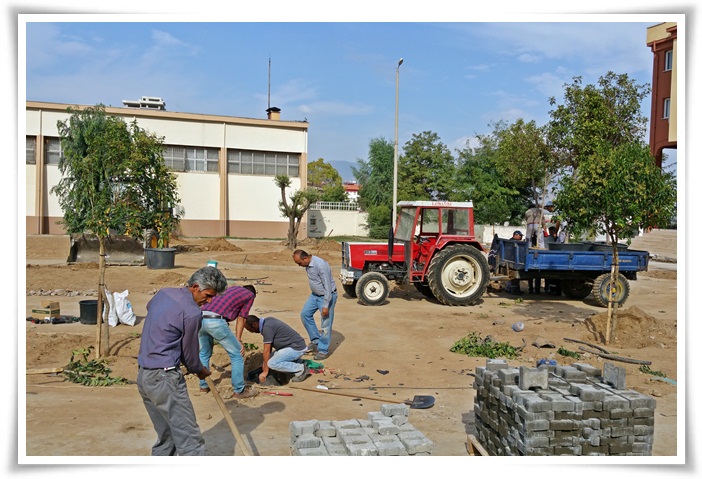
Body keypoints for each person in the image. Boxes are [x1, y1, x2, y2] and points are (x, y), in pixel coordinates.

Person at [136, 266, 228, 456]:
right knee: (190, 441)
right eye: (208, 295)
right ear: (195, 286)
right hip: (165, 378)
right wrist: (199, 370)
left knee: (167, 437)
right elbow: (189, 353)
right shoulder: (192, 313)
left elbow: (151, 309)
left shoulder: (163, 294)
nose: (209, 301)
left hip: (145, 375)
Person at [198, 284, 259, 399]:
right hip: (215, 321)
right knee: (237, 354)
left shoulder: (231, 288)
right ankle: (239, 390)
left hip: (201, 318)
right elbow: (242, 318)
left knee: (204, 353)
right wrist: (238, 340)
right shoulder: (250, 295)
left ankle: (204, 386)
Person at [292, 249, 338, 360]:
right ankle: (316, 341)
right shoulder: (308, 263)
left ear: (305, 258)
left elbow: (327, 286)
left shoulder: (321, 265)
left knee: (325, 325)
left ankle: (323, 350)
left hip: (326, 296)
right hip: (315, 295)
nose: (299, 266)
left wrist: (326, 305)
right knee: (305, 314)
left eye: (299, 263)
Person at [242, 314, 311, 383]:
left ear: (254, 324)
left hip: (296, 348)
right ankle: (297, 362)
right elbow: (269, 348)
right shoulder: (267, 322)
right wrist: (264, 364)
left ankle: (301, 369)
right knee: (267, 360)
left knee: (272, 363)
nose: (251, 332)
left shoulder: (267, 328)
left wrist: (265, 371)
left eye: (250, 329)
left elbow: (266, 351)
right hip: (289, 346)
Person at [506, 231, 524, 295]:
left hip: (513, 261)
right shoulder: (513, 242)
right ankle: (513, 290)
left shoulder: (512, 242)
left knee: (514, 278)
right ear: (515, 235)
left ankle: (513, 289)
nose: (521, 237)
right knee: (514, 278)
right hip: (513, 261)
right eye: (520, 236)